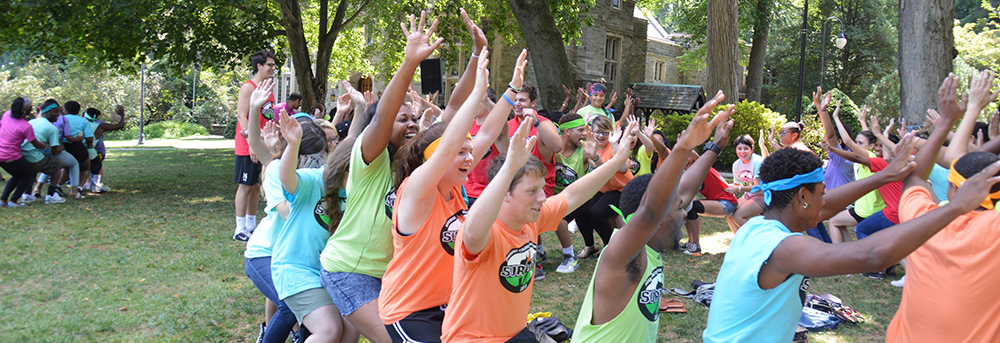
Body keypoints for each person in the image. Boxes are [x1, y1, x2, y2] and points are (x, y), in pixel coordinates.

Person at [702, 75, 1000, 341]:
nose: (827, 198)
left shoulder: (759, 226)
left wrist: (884, 175)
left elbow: (824, 208)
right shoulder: (784, 247)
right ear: (803, 197)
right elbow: (872, 255)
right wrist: (955, 207)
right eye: (822, 192)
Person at [317, 12, 456, 343]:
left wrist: (479, 60)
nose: (409, 123)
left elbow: (451, 118)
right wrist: (409, 62)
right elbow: (382, 118)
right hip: (350, 271)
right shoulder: (371, 159)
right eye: (402, 118)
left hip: (394, 275)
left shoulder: (417, 166)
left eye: (413, 119)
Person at [441, 116, 637, 343]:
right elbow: (472, 232)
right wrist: (510, 168)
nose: (543, 197)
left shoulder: (532, 218)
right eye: (532, 191)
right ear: (505, 193)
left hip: (514, 333)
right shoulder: (484, 231)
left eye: (542, 188)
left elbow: (572, 195)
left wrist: (618, 160)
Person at [571, 92, 732, 343]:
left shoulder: (650, 247)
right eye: (677, 209)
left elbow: (686, 189)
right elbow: (650, 210)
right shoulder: (622, 252)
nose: (683, 212)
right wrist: (683, 146)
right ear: (654, 217)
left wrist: (715, 146)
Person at [379, 43, 510, 342]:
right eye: (461, 152)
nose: (470, 158)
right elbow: (449, 145)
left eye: (470, 151)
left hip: (451, 303)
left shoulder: (455, 188)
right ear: (435, 158)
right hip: (409, 311)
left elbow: (488, 132)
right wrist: (476, 92)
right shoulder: (417, 191)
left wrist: (512, 89)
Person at [886, 72, 1000, 342]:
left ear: (951, 186)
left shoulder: (923, 218)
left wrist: (958, 116)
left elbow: (917, 176)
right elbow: (956, 162)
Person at [274, 108, 359, 343]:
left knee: (351, 330)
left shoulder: (358, 191)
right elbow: (288, 179)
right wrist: (293, 145)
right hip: (296, 268)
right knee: (328, 330)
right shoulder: (315, 180)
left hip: (330, 272)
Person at [233, 50, 277, 242]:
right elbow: (242, 116)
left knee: (256, 185)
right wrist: (252, 142)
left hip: (264, 145)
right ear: (259, 66)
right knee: (245, 185)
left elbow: (268, 116)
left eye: (274, 65)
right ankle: (239, 228)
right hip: (248, 145)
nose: (273, 69)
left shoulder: (268, 89)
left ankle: (251, 226)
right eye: (270, 65)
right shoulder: (248, 88)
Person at [575, 114, 634, 259]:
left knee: (596, 213)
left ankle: (610, 247)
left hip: (622, 190)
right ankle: (590, 246)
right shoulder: (591, 146)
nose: (601, 135)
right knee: (580, 210)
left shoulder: (615, 146)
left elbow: (622, 168)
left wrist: (613, 144)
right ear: (592, 132)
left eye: (605, 132)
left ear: (610, 132)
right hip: (605, 189)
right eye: (597, 132)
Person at [1, 98, 48, 207]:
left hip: (0, 155)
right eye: (30, 107)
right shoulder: (25, 126)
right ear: (25, 110)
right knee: (28, 175)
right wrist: (44, 144)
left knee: (17, 175)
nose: (32, 108)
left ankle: (3, 200)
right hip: (12, 156)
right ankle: (13, 201)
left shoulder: (7, 114)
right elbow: (36, 144)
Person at [20, 100, 64, 204]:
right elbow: (55, 151)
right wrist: (61, 147)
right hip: (33, 155)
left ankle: (27, 194)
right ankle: (51, 195)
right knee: (57, 165)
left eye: (58, 112)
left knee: (33, 169)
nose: (58, 115)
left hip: (21, 155)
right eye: (55, 112)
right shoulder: (52, 128)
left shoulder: (31, 121)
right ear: (47, 112)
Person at [82, 106, 126, 193]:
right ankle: (97, 185)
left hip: (76, 148)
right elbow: (120, 126)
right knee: (97, 165)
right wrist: (122, 115)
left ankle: (79, 186)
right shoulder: (100, 126)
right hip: (89, 149)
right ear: (96, 117)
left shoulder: (79, 123)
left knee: (77, 168)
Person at [61, 101, 93, 197]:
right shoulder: (83, 120)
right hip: (77, 146)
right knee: (85, 167)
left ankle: (57, 186)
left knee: (67, 168)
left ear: (65, 110)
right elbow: (89, 137)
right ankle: (78, 188)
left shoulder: (61, 119)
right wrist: (89, 144)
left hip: (62, 145)